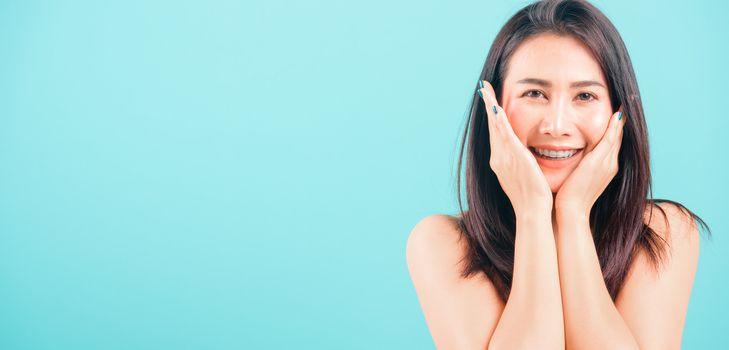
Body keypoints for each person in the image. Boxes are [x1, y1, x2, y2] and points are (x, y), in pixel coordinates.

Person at [405, 0, 711, 349]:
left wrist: (573, 214)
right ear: (494, 109)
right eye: (534, 93)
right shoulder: (443, 243)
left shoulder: (662, 232)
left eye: (585, 95)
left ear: (618, 111)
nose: (557, 126)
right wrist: (533, 214)